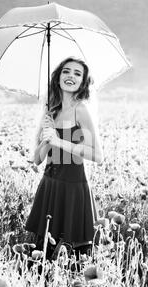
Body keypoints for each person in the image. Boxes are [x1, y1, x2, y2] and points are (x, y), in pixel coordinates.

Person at [25, 57, 103, 260]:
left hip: (72, 187)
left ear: (83, 82)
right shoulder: (51, 111)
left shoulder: (81, 110)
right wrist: (46, 137)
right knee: (43, 254)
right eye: (66, 71)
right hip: (49, 185)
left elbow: (97, 155)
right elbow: (37, 159)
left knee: (70, 256)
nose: (71, 76)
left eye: (78, 74)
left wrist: (59, 142)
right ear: (58, 77)